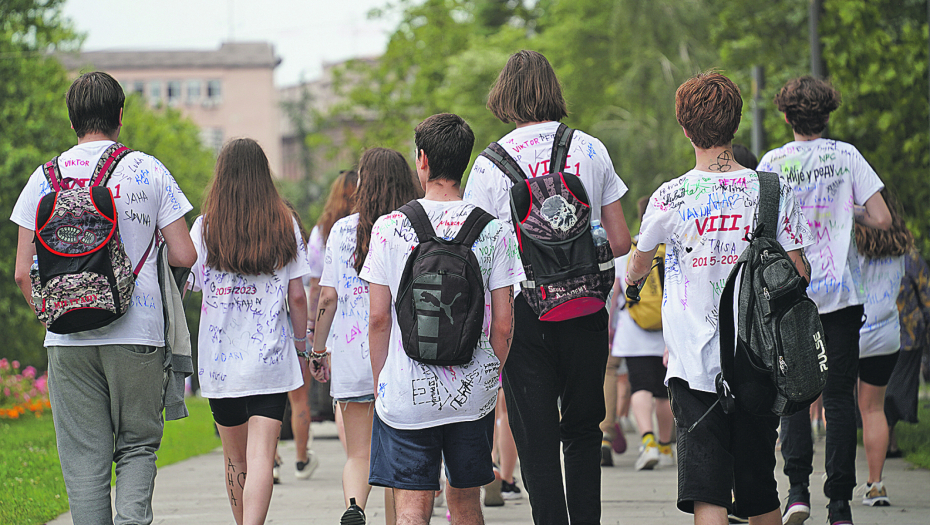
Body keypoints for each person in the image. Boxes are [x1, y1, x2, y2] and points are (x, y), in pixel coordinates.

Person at [11, 71, 198, 525]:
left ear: (72, 119)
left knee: (83, 462)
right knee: (136, 445)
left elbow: (21, 272)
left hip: (66, 343)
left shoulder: (43, 178)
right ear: (119, 115)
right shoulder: (148, 169)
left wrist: (57, 313)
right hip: (139, 334)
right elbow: (185, 252)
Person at [627, 71, 813, 525]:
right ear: (736, 123)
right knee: (759, 486)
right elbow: (801, 272)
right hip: (761, 361)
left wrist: (634, 279)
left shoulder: (670, 196)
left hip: (693, 366)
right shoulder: (769, 189)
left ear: (685, 129)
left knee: (708, 491)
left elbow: (636, 266)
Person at [463, 49, 632, 525]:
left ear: (503, 97)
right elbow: (619, 241)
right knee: (581, 429)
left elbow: (480, 258)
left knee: (535, 437)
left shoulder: (489, 165)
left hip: (522, 316)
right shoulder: (590, 148)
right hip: (586, 310)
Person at [361, 113, 523, 525]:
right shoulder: (495, 231)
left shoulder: (390, 227)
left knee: (413, 507)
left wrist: (382, 380)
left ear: (422, 159)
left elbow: (378, 318)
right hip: (471, 396)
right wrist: (491, 375)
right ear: (465, 163)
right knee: (466, 504)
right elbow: (503, 324)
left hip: (405, 393)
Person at [757, 75, 892, 525]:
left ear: (786, 116)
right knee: (838, 400)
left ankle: (796, 492)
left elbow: (761, 228)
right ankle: (839, 504)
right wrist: (844, 208)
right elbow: (882, 217)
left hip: (793, 296)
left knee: (794, 395)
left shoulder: (773, 161)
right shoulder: (847, 155)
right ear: (827, 114)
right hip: (843, 297)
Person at [188, 138, 310, 525]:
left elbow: (189, 283)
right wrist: (304, 346)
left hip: (220, 363)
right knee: (260, 457)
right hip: (270, 359)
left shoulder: (205, 228)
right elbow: (297, 296)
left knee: (234, 458)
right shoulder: (284, 223)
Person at [311, 148, 420, 525]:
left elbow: (327, 297)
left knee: (358, 454)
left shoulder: (341, 229)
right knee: (400, 456)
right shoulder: (412, 226)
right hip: (402, 357)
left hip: (352, 360)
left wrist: (317, 349)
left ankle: (355, 507)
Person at [853, 188, 911, 507]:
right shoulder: (899, 240)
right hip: (886, 333)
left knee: (839, 407)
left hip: (850, 329)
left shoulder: (851, 237)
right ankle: (876, 486)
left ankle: (837, 478)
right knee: (873, 409)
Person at [611, 196, 674, 472]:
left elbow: (617, 290)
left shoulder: (630, 248)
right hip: (666, 331)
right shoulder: (671, 246)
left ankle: (647, 441)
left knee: (639, 386)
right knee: (664, 392)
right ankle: (664, 446)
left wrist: (610, 327)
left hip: (633, 330)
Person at [307, 169, 360, 451]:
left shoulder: (323, 231)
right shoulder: (378, 224)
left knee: (346, 395)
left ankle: (353, 452)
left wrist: (315, 329)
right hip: (364, 318)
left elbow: (318, 288)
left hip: (336, 324)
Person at [271, 201, 321, 484]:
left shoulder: (265, 237)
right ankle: (301, 459)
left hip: (274, 320)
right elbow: (304, 292)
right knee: (299, 399)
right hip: (298, 323)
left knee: (271, 400)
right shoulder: (297, 242)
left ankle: (273, 459)